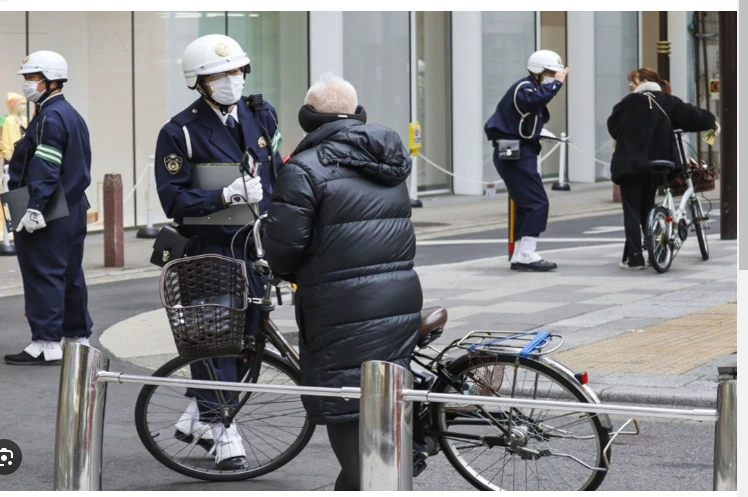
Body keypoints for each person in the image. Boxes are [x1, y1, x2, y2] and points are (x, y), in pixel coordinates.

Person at [263, 73, 423, 491]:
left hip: (339, 306)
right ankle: (393, 465)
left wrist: (280, 266)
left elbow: (284, 247)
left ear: (307, 117)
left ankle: (365, 482)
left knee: (346, 404)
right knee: (386, 394)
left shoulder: (304, 168)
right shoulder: (388, 158)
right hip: (398, 295)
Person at [154, 33, 283, 471]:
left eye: (236, 71)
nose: (232, 80)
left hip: (255, 247)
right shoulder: (180, 132)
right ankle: (222, 426)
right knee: (215, 341)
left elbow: (277, 172)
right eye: (220, 74)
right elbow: (173, 200)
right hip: (209, 252)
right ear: (200, 82)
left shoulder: (259, 115)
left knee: (248, 342)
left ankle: (197, 416)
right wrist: (224, 197)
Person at [3, 51, 93, 365]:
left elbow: (47, 165)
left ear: (51, 81)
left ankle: (45, 342)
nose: (28, 84)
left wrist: (34, 207)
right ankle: (77, 336)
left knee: (42, 273)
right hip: (71, 207)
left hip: (48, 210)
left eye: (32, 78)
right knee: (69, 273)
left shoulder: (50, 117)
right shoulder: (69, 113)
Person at [607, 68, 718, 269]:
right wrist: (712, 122)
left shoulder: (628, 103)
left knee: (631, 209)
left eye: (633, 81)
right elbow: (694, 116)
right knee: (648, 204)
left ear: (642, 81)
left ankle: (634, 259)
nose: (630, 85)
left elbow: (613, 126)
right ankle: (655, 251)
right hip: (658, 164)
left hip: (630, 165)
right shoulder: (668, 101)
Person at [484, 50, 568, 272]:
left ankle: (521, 254)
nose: (554, 76)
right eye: (551, 72)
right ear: (539, 70)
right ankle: (528, 253)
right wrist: (557, 85)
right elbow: (534, 101)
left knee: (526, 203)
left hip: (518, 150)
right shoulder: (525, 88)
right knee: (537, 201)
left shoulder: (530, 87)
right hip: (515, 151)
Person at [2, 92, 28, 165]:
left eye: (24, 104)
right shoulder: (8, 120)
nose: (24, 107)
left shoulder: (25, 119)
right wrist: (8, 155)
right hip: (11, 157)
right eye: (21, 104)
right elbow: (5, 140)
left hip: (23, 156)